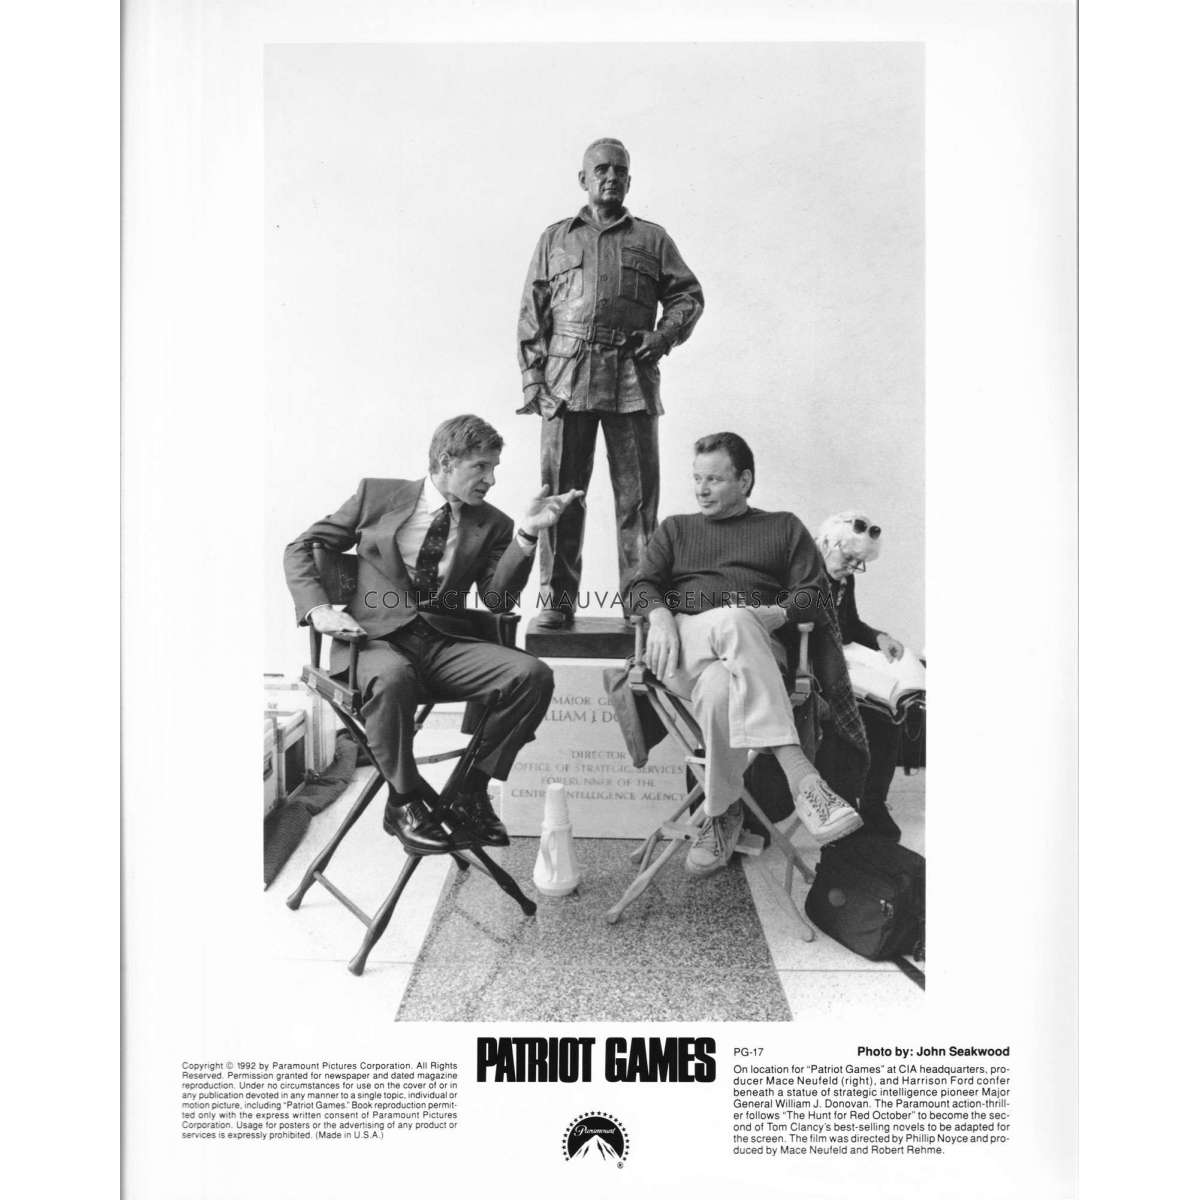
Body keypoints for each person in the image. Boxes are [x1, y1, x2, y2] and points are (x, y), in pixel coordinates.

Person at [283, 415, 582, 856]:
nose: (491, 480)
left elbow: (498, 599)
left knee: (532, 675)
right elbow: (301, 547)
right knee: (394, 677)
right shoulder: (376, 495)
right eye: (481, 467)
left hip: (443, 643)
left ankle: (470, 791)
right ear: (446, 461)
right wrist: (318, 609)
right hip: (372, 642)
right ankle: (403, 802)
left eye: (494, 468)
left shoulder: (493, 524)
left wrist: (526, 534)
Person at [627, 432, 868, 877]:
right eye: (697, 479)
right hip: (685, 648)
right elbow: (638, 586)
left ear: (744, 480)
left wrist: (780, 612)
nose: (701, 490)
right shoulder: (676, 529)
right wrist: (659, 615)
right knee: (734, 619)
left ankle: (721, 815)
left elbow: (815, 595)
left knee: (721, 689)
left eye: (714, 480)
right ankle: (802, 776)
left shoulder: (783, 527)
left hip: (756, 655)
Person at [517, 137, 704, 627]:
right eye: (600, 169)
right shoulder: (555, 239)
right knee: (560, 497)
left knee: (637, 502)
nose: (610, 177)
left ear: (629, 180)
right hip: (565, 379)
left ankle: (640, 602)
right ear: (583, 179)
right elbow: (532, 313)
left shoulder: (653, 239)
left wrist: (663, 336)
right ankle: (556, 601)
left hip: (631, 377)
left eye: (619, 170)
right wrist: (532, 381)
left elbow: (687, 295)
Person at [815, 511, 908, 840]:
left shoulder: (843, 579)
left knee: (891, 715)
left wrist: (879, 637)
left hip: (838, 666)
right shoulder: (803, 573)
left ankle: (872, 803)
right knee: (865, 717)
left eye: (859, 563)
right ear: (829, 543)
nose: (852, 568)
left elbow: (849, 624)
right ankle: (850, 809)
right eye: (849, 559)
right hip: (809, 670)